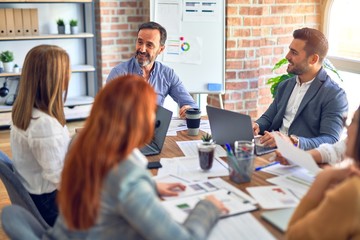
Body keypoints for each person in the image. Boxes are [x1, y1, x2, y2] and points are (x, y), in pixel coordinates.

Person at [48, 74, 227, 239]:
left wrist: (149, 185)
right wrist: (208, 207)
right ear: (138, 119)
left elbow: (103, 188)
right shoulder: (126, 176)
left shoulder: (80, 142)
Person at [253, 27, 348, 150]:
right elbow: (268, 118)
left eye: (294, 52)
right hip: (272, 152)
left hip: (302, 158)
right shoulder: (285, 85)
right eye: (289, 51)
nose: (287, 56)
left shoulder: (334, 95)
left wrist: (293, 142)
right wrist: (257, 126)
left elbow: (331, 139)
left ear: (313, 59)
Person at [10, 45, 71, 226]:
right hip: (49, 203)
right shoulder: (43, 125)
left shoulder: (27, 111)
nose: (69, 75)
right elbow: (60, 179)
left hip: (38, 193)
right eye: (66, 71)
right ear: (53, 78)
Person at [286, 105, 360, 239]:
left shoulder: (352, 192)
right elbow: (337, 149)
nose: (347, 129)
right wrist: (297, 156)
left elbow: (293, 236)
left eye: (352, 121)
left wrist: (322, 179)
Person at [106, 21, 197, 118]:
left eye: (149, 45)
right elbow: (105, 110)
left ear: (161, 49)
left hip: (156, 130)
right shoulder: (119, 73)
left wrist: (188, 109)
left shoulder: (167, 74)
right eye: (140, 42)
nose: (142, 49)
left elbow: (192, 106)